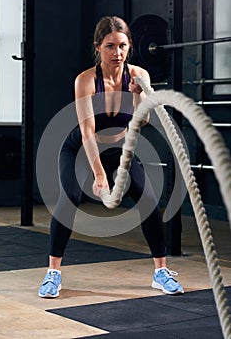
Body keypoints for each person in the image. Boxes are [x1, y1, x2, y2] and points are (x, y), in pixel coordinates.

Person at [38, 16, 184, 298]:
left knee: (149, 200)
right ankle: (52, 273)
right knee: (69, 199)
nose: (117, 53)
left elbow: (140, 122)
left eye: (123, 46)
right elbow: (87, 132)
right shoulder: (86, 80)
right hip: (80, 149)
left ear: (129, 46)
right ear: (98, 47)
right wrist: (99, 175)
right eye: (110, 46)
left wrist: (139, 96)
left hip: (120, 151)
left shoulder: (140, 75)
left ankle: (160, 272)